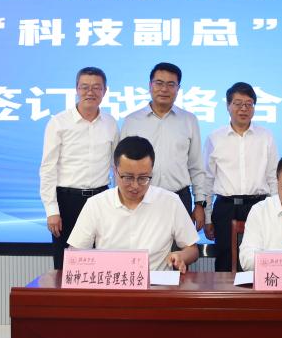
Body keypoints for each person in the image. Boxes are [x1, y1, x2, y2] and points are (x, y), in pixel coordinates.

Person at [66, 135, 199, 272]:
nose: (135, 185)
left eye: (143, 178)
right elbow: (75, 252)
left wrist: (181, 256)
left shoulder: (170, 202)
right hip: (111, 282)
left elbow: (192, 249)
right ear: (115, 171)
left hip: (156, 283)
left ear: (152, 171)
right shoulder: (96, 204)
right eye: (128, 177)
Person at [39, 66, 120, 270]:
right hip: (68, 201)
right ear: (76, 89)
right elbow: (48, 168)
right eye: (85, 87)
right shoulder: (59, 123)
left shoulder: (110, 123)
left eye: (96, 87)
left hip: (101, 199)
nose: (90, 92)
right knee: (66, 265)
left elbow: (116, 166)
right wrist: (52, 211)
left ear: (105, 91)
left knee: (100, 264)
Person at [120, 62, 207, 232]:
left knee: (179, 247)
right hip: (140, 197)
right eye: (159, 83)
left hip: (179, 197)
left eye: (171, 84)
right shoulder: (132, 121)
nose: (164, 89)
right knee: (141, 245)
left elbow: (196, 166)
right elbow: (120, 166)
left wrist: (199, 204)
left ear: (178, 88)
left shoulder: (189, 120)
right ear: (150, 85)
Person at [202, 82, 278, 272]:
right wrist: (208, 217)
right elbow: (207, 180)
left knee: (259, 260)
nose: (243, 109)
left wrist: (276, 210)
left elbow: (273, 177)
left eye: (248, 104)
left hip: (258, 206)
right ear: (228, 106)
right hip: (225, 208)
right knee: (225, 261)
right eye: (237, 103)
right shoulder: (215, 138)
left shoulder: (266, 136)